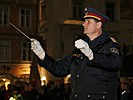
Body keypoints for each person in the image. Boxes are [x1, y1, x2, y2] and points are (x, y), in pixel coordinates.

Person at [31, 7, 123, 100]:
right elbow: (59, 69)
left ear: (98, 24)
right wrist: (42, 55)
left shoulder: (108, 44)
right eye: (84, 21)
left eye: (88, 22)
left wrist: (92, 56)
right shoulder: (80, 48)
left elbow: (116, 63)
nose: (84, 24)